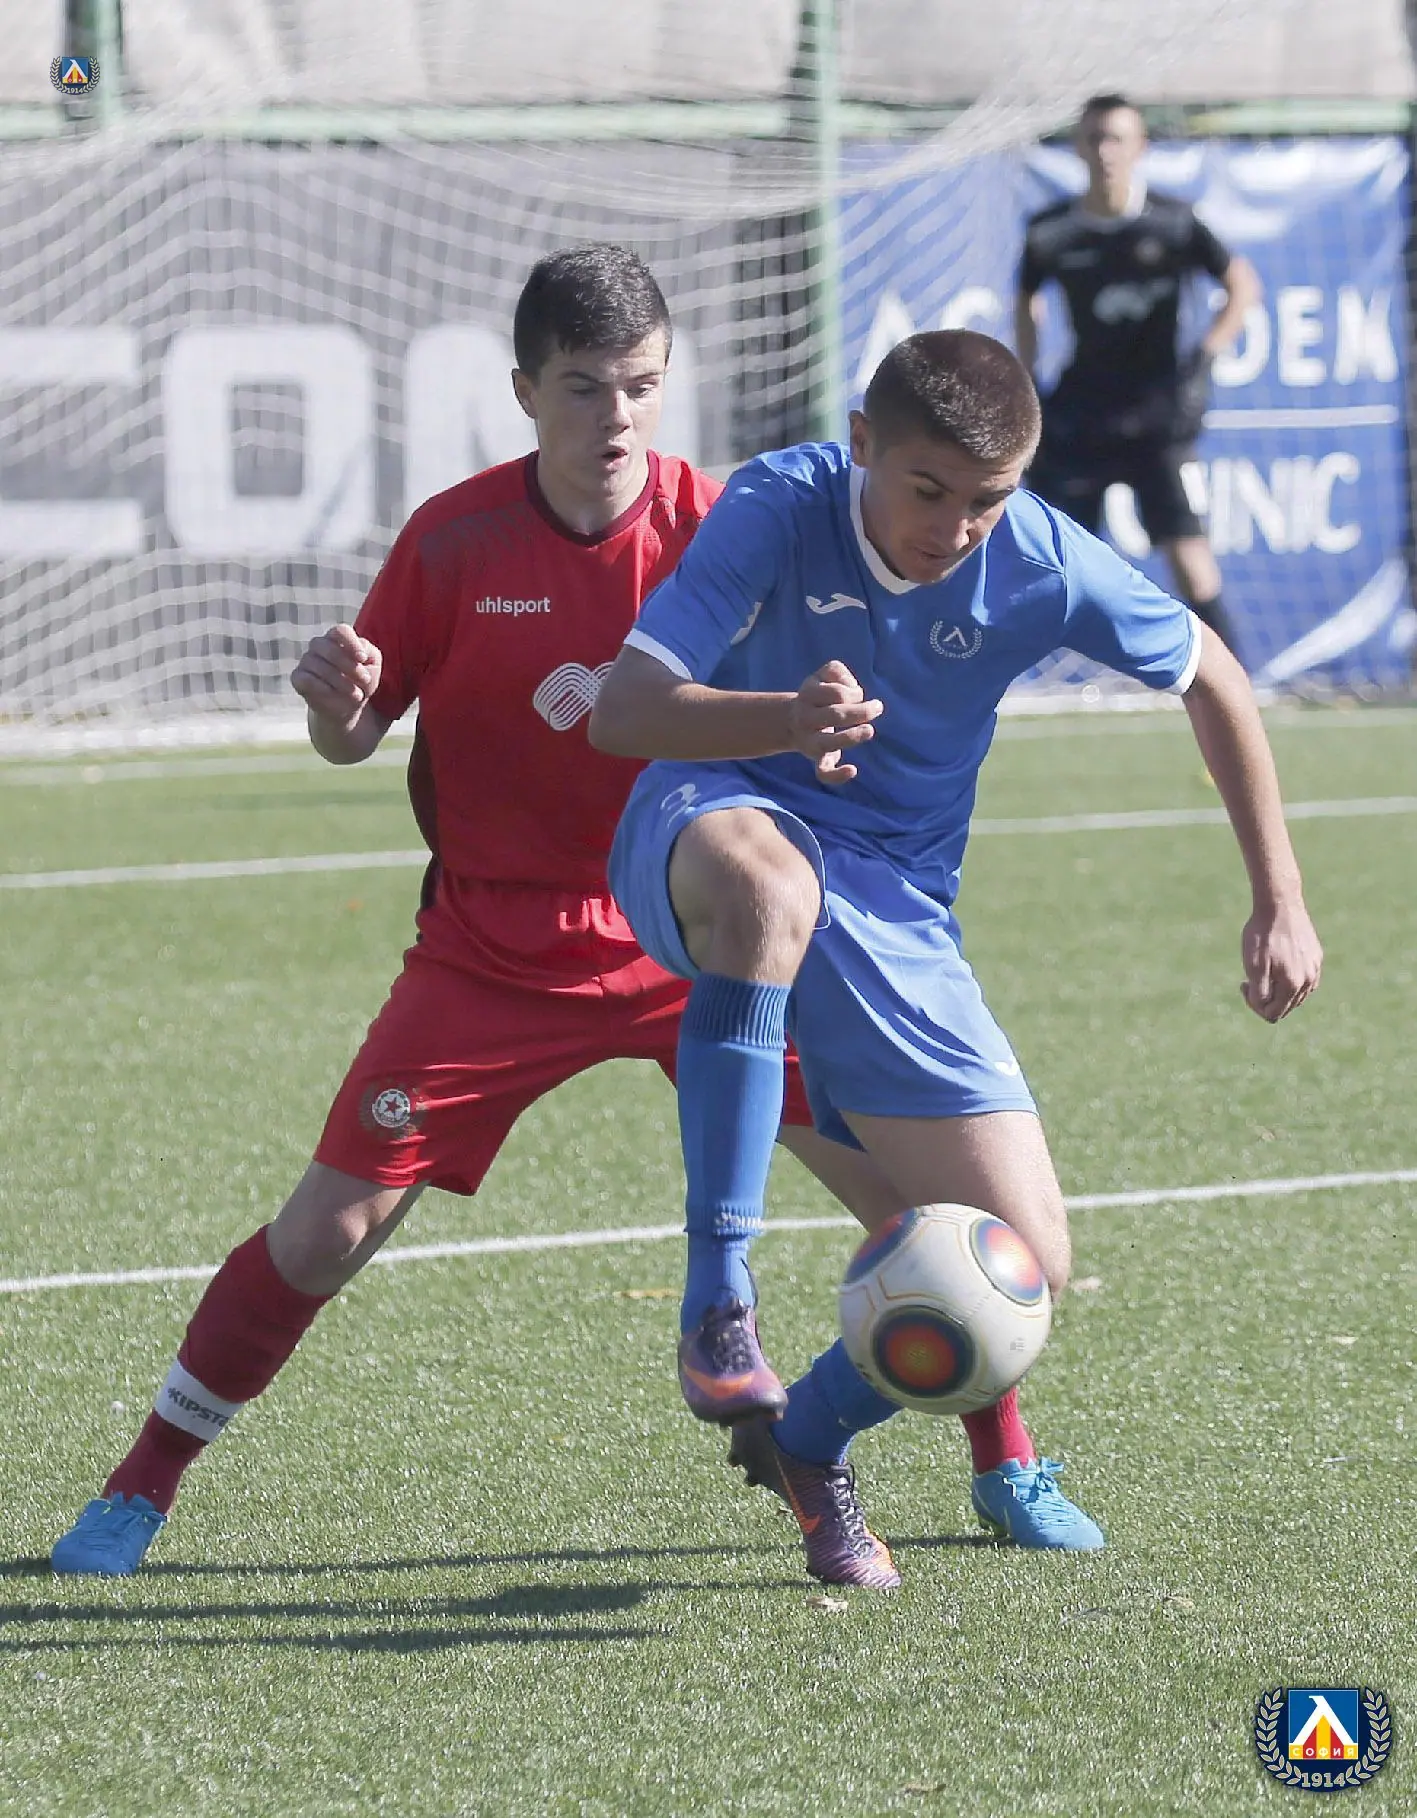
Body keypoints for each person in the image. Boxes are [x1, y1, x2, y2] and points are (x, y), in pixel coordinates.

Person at [50, 244, 903, 1579]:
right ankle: (140, 1482)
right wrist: (338, 708)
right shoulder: (452, 539)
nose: (614, 415)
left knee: (908, 1202)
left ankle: (1000, 1454)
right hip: (494, 947)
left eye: (639, 385)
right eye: (582, 387)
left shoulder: (719, 526)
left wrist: (822, 719)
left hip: (693, 935)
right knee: (324, 1232)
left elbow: (804, 715)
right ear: (523, 391)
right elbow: (357, 731)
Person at [588, 328, 1323, 1591]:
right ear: (862, 446)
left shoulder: (1034, 556)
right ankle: (718, 1300)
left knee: (1021, 1262)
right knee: (768, 888)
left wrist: (1281, 897)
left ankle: (808, 1437)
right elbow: (624, 712)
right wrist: (785, 718)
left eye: (988, 499)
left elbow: (1213, 674)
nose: (956, 529)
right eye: (928, 491)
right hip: (708, 816)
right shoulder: (782, 501)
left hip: (894, 907)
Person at [1015, 93, 1261, 654]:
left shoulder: (1174, 222)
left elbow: (1242, 285)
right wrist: (1027, 378)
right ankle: (1011, 673)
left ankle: (1230, 675)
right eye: (1094, 138)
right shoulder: (1050, 231)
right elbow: (1026, 299)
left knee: (1189, 553)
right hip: (1082, 409)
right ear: (1078, 148)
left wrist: (1204, 357)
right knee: (1048, 552)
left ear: (1140, 147)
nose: (1105, 151)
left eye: (1117, 139)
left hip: (1157, 413)